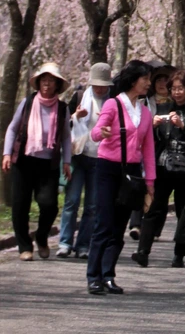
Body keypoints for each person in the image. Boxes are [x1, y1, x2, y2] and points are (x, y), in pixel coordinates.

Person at [86, 60, 155, 295]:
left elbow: (148, 149)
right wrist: (101, 132)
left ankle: (108, 275)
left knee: (119, 227)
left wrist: (150, 181)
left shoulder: (145, 112)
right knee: (104, 224)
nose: (148, 83)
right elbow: (95, 133)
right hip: (108, 169)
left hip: (132, 173)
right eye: (145, 78)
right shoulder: (113, 105)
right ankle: (93, 276)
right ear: (133, 80)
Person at [2, 61, 72, 262]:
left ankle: (41, 236)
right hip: (23, 161)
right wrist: (7, 154)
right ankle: (24, 246)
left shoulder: (62, 109)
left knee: (49, 204)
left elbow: (66, 137)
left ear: (57, 85)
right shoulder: (28, 103)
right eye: (44, 80)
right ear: (39, 83)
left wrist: (66, 162)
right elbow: (13, 128)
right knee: (20, 205)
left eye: (51, 81)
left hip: (47, 163)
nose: (47, 84)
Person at [132, 69, 185, 268]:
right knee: (153, 209)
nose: (177, 92)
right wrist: (151, 125)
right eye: (174, 88)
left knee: (183, 212)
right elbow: (150, 140)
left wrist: (184, 126)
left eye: (181, 88)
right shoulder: (163, 108)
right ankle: (143, 251)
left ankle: (179, 254)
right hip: (162, 166)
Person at [57, 62, 112, 259]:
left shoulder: (112, 102)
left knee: (92, 205)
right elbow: (64, 124)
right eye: (96, 84)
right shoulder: (80, 96)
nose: (99, 88)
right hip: (79, 154)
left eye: (103, 85)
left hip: (100, 157)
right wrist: (75, 115)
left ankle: (83, 245)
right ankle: (64, 242)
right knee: (71, 200)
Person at [130, 60, 173, 242]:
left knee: (161, 191)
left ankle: (154, 228)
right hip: (147, 150)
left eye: (166, 81)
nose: (162, 84)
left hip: (168, 151)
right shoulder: (145, 104)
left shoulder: (176, 104)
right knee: (140, 186)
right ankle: (136, 225)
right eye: (159, 81)